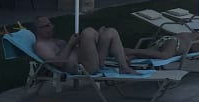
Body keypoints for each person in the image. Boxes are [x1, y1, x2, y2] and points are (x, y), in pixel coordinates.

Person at [27, 15, 186, 76]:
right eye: (46, 26)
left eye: (50, 24)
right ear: (37, 30)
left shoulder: (55, 41)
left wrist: (77, 43)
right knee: (88, 32)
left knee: (110, 32)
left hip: (91, 61)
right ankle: (95, 36)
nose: (51, 27)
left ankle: (123, 67)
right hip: (81, 68)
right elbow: (58, 63)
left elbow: (74, 50)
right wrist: (71, 44)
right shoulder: (40, 45)